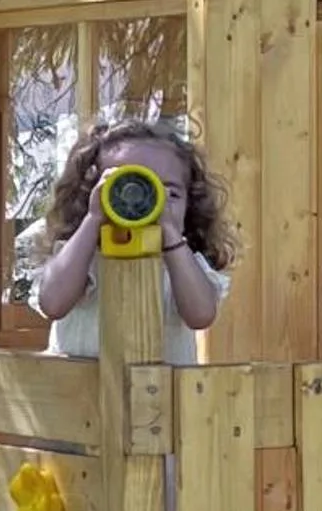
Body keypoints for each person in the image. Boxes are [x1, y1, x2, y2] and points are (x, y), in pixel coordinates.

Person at [34, 120, 235, 364]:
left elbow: (201, 316)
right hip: (80, 396)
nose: (150, 202)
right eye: (126, 187)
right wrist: (94, 218)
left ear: (190, 204)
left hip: (159, 396)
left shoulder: (182, 266)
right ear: (91, 194)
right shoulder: (82, 259)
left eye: (169, 193)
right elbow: (53, 303)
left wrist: (170, 234)